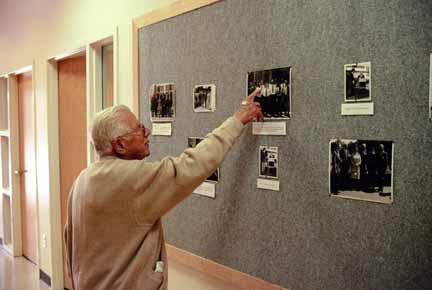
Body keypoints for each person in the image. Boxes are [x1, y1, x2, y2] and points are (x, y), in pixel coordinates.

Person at [64, 89, 263, 290]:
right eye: (139, 129)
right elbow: (192, 165)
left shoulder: (82, 179)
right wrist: (238, 119)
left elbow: (69, 244)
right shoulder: (131, 179)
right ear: (121, 145)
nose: (147, 132)